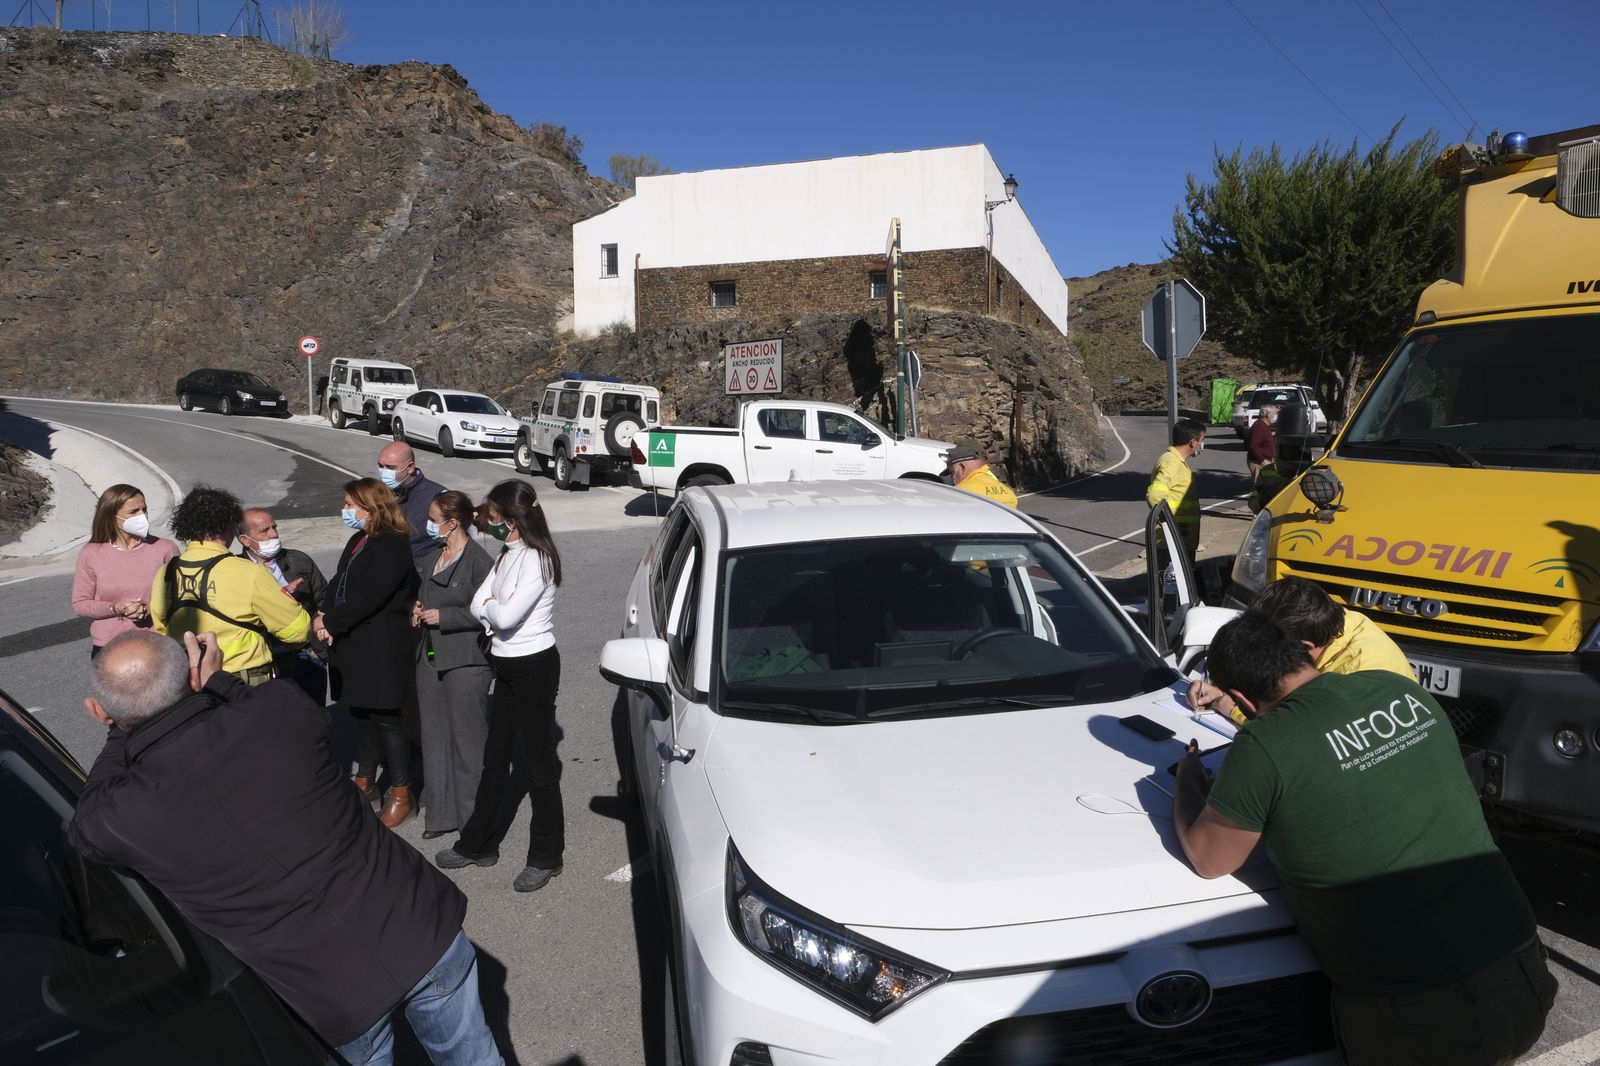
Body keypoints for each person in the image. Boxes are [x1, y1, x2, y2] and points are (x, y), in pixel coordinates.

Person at [68, 629, 503, 1066]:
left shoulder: (121, 816)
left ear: (99, 710)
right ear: (190, 676)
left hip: (327, 995)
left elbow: (84, 827)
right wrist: (219, 681)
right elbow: (265, 700)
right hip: (421, 925)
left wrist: (120, 729)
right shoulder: (278, 710)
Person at [1173, 614, 1555, 1066]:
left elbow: (1209, 858)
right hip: (1521, 967)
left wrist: (1188, 783)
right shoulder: (1398, 690)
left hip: (1420, 1011)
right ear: (1304, 652)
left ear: (1241, 699)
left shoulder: (1263, 744)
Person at [435, 480, 566, 893]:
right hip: (505, 664)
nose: (486, 525)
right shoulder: (507, 553)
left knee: (541, 767)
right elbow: (480, 602)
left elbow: (502, 616)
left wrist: (490, 608)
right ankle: (479, 843)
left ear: (511, 520)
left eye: (492, 518)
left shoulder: (538, 560)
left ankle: (546, 855)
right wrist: (492, 608)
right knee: (495, 758)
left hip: (534, 666)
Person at [316, 478, 422, 828]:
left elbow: (371, 597)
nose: (346, 511)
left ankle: (402, 794)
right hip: (353, 645)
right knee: (361, 717)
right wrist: (323, 616)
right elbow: (338, 582)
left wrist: (332, 622)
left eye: (350, 504)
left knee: (388, 722)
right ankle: (365, 781)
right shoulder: (358, 539)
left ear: (371, 507)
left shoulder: (393, 545)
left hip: (381, 649)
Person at [149, 485, 310, 683]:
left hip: (190, 679)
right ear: (227, 525)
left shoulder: (165, 572)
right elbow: (298, 631)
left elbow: (161, 629)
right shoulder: (248, 572)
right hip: (243, 679)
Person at [1188, 577, 1412, 715]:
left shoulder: (1349, 681)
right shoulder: (1337, 621)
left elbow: (1299, 744)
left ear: (1304, 648)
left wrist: (1233, 708)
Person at [413, 490, 496, 842]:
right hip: (431, 658)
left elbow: (491, 613)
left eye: (434, 520)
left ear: (454, 522)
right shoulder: (435, 555)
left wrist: (443, 616)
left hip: (466, 660)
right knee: (434, 738)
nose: (428, 526)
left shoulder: (479, 562)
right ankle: (441, 815)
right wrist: (418, 609)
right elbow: (425, 594)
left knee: (468, 745)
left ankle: (473, 825)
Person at [72, 484, 179, 658]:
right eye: (134, 511)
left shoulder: (166, 549)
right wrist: (116, 608)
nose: (142, 516)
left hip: (156, 645)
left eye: (144, 509)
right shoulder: (90, 553)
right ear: (112, 516)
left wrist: (150, 609)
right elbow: (80, 604)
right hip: (109, 648)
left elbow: (179, 596)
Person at [238, 507, 330, 704]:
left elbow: (325, 599)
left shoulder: (298, 561)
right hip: (267, 663)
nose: (273, 534)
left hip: (307, 656)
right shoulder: (237, 571)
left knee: (316, 719)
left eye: (274, 527)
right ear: (244, 539)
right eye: (264, 531)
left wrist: (319, 650)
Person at [1146, 418, 1206, 562]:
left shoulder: (1176, 461)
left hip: (1180, 541)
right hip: (1172, 543)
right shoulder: (1171, 462)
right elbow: (1154, 495)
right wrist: (1171, 525)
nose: (1202, 445)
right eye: (1202, 440)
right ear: (1192, 442)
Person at [378, 440, 449, 563]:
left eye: (390, 467)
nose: (384, 472)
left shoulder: (437, 496)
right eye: (380, 466)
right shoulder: (379, 494)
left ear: (410, 467)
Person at [943, 438, 1018, 507]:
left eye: (952, 473)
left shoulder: (957, 495)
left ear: (962, 468)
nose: (952, 480)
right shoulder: (1009, 493)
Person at [1246, 403, 1279, 481]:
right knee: (1259, 486)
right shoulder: (1258, 426)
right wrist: (1262, 461)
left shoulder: (1266, 425)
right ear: (1267, 415)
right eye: (1275, 413)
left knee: (1269, 485)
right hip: (1258, 463)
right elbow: (1254, 445)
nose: (1276, 416)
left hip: (1266, 461)